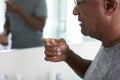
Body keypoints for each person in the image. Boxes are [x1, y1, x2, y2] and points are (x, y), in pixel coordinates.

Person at [43, 0, 120, 80]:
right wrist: (68, 55)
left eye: (79, 2)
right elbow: (98, 75)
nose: (74, 12)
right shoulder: (110, 43)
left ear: (109, 6)